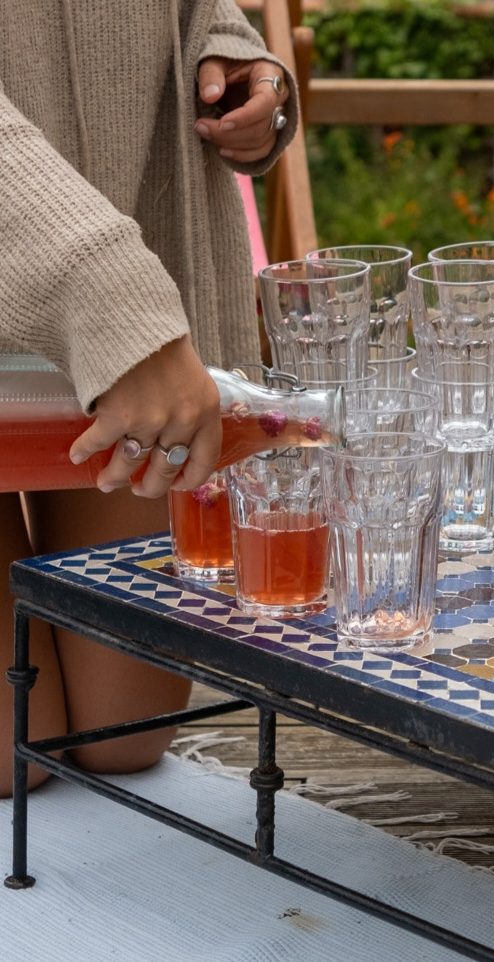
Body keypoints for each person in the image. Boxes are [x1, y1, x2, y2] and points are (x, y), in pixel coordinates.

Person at [0, 0, 300, 797]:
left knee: (123, 736)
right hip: (111, 293)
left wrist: (237, 64)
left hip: (135, 233)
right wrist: (107, 294)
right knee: (9, 754)